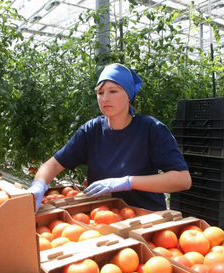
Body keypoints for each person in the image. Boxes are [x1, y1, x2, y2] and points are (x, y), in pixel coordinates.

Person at [28, 63, 191, 211]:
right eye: (100, 92)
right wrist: (38, 186)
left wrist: (128, 182)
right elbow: (53, 165)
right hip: (102, 218)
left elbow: (183, 180)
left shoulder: (151, 129)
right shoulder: (91, 131)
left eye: (113, 91)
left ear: (128, 95)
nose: (105, 98)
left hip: (146, 219)